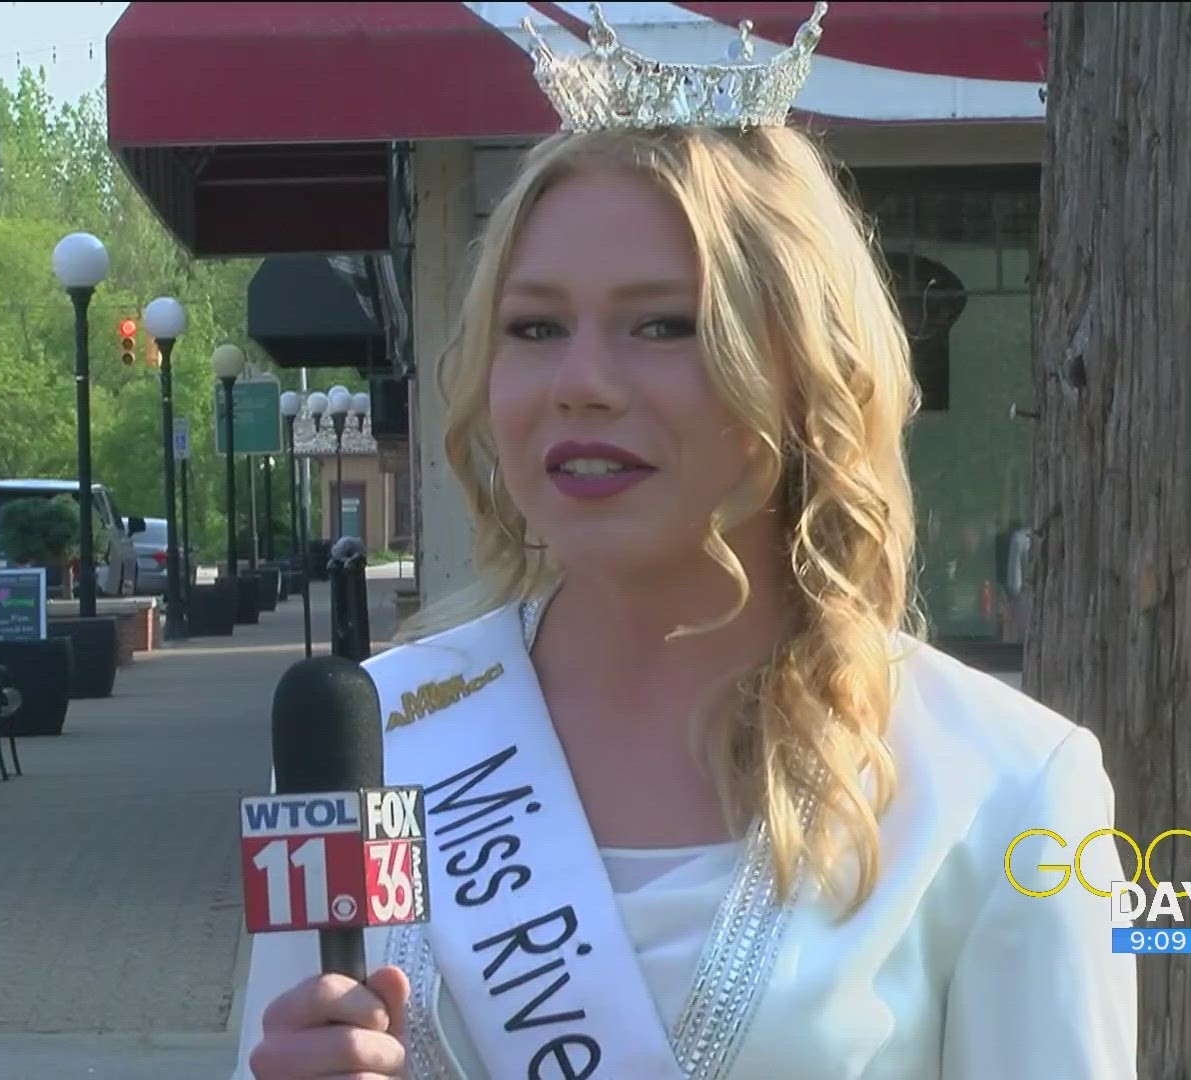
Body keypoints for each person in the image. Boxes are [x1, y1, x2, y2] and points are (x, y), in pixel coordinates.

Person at [233, 4, 1137, 1077]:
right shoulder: (375, 738)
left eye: (663, 324)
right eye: (535, 327)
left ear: (804, 373)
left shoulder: (1009, 785)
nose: (581, 384)